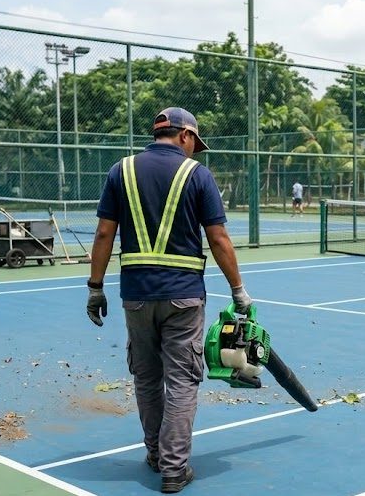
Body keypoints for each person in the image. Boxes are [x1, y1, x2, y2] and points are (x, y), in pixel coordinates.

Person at [86, 107, 253, 493]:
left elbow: (104, 235)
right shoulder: (198, 175)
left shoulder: (120, 171)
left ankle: (156, 454)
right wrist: (238, 290)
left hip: (136, 297)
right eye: (196, 143)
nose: (195, 151)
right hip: (184, 297)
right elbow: (218, 238)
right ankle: (174, 469)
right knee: (181, 381)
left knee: (147, 378)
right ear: (185, 136)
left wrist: (95, 287)